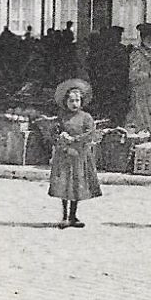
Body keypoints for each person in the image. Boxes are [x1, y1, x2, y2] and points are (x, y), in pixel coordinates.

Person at [48, 78, 102, 228]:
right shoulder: (61, 117)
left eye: (77, 100)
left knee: (77, 185)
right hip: (65, 156)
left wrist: (75, 139)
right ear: (65, 102)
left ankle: (74, 215)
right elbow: (53, 132)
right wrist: (60, 137)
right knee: (65, 185)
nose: (74, 104)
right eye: (71, 101)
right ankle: (64, 216)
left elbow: (90, 133)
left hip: (79, 155)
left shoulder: (86, 117)